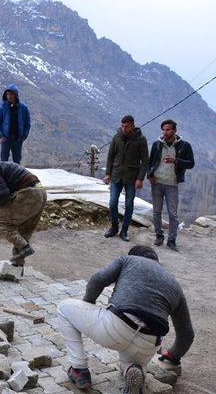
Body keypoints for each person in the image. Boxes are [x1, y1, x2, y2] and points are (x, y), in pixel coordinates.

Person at [57, 245, 194, 393]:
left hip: (116, 328)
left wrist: (87, 304)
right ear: (157, 261)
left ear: (134, 255)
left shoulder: (128, 260)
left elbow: (98, 279)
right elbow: (187, 334)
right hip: (149, 344)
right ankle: (134, 369)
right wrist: (172, 356)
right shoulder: (175, 285)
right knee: (131, 361)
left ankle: (79, 369)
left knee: (63, 308)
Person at [147, 119, 194, 252]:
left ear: (174, 131)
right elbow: (150, 162)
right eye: (163, 129)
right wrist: (150, 176)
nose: (165, 132)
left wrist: (176, 161)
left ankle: (172, 240)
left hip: (172, 184)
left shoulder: (184, 146)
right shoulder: (157, 144)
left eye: (168, 129)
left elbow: (191, 163)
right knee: (156, 211)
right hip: (157, 182)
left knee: (173, 214)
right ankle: (159, 235)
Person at [103, 115, 148, 242]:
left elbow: (145, 161)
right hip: (116, 176)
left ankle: (124, 231)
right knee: (112, 203)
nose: (124, 129)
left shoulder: (140, 140)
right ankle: (114, 228)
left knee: (129, 205)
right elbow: (110, 156)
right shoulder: (117, 137)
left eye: (127, 126)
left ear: (133, 126)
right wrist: (108, 173)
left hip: (131, 178)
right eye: (122, 126)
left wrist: (140, 178)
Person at [0, 84, 31, 164]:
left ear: (16, 95)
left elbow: (27, 124)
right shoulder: (3, 108)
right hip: (6, 139)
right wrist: (1, 136)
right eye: (7, 94)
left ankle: (16, 176)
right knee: (3, 162)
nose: (9, 96)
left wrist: (24, 136)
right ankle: (4, 176)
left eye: (11, 94)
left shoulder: (23, 108)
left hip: (18, 139)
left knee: (17, 162)